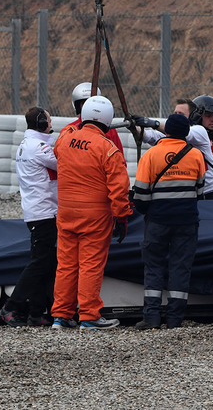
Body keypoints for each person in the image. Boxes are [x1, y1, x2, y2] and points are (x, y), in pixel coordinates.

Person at [51, 95, 133, 331]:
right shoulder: (108, 149)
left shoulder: (65, 138)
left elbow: (58, 154)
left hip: (66, 213)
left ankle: (61, 315)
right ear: (108, 120)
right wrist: (122, 216)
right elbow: (119, 189)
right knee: (90, 265)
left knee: (66, 265)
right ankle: (88, 316)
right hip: (95, 218)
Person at [132, 113, 206, 329]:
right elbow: (199, 191)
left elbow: (141, 194)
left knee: (153, 265)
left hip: (157, 220)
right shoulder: (196, 155)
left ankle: (152, 317)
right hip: (187, 221)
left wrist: (147, 210)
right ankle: (175, 319)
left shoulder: (151, 155)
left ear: (166, 132)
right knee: (180, 266)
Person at [0, 107, 59, 327]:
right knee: (39, 263)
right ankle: (11, 307)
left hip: (38, 211)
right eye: (49, 121)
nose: (52, 125)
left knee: (46, 263)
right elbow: (65, 164)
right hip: (44, 212)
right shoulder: (40, 147)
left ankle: (36, 312)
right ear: (42, 123)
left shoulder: (27, 144)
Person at [132, 98, 213, 200]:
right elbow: (150, 136)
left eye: (180, 114)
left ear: (193, 117)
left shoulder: (200, 131)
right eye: (175, 113)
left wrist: (154, 124)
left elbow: (182, 132)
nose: (176, 116)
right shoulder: (173, 134)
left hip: (211, 193)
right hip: (192, 193)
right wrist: (133, 127)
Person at [63, 82, 125, 159]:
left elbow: (119, 158)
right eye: (84, 103)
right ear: (78, 106)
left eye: (91, 103)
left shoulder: (110, 130)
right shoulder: (70, 130)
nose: (88, 107)